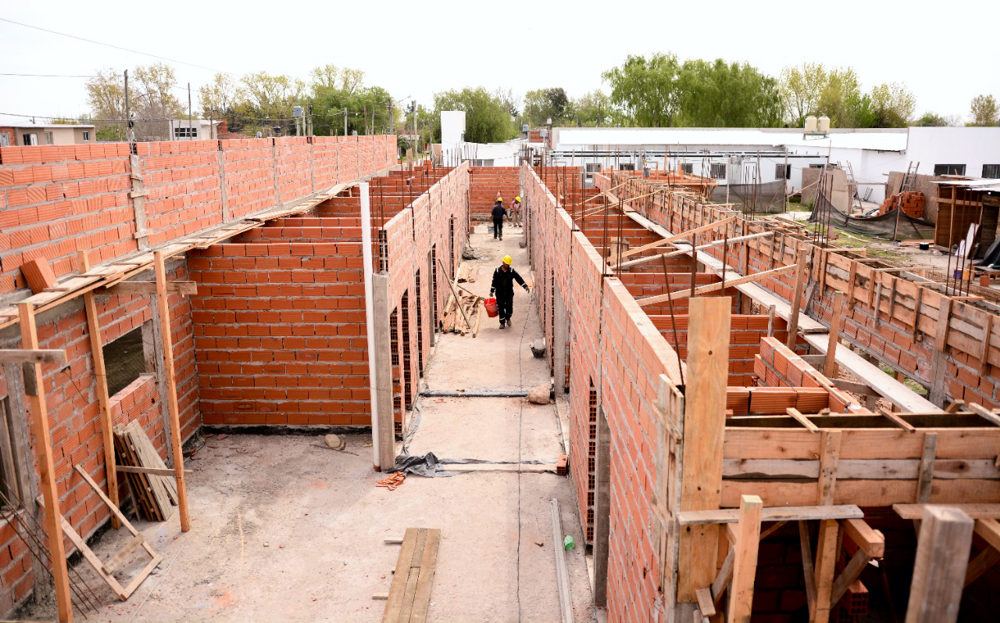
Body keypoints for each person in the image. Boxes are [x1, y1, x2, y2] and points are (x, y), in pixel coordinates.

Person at [490, 255, 530, 330]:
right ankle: (502, 323)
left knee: (509, 306)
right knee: (501, 307)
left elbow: (518, 278)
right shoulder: (497, 271)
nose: (507, 265)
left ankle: (508, 318)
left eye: (508, 264)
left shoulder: (511, 271)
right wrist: (492, 291)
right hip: (499, 293)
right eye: (506, 264)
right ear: (503, 262)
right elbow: (494, 281)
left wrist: (525, 286)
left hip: (509, 293)